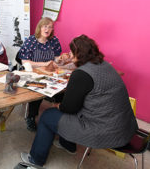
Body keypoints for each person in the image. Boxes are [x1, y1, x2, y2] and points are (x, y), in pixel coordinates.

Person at [21, 35, 138, 167]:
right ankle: (68, 145)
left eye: (71, 52)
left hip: (105, 131)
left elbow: (70, 108)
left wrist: (57, 105)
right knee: (76, 107)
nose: (69, 55)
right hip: (126, 127)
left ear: (79, 54)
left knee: (48, 116)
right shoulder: (105, 65)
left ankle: (35, 160)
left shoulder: (81, 74)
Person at [19, 17, 62, 131]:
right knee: (37, 92)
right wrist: (44, 63)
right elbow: (25, 61)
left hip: (50, 73)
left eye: (50, 27)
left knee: (62, 90)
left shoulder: (54, 40)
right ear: (40, 27)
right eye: (45, 26)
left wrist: (61, 60)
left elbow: (57, 57)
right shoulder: (31, 41)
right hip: (34, 74)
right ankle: (31, 117)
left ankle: (60, 118)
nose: (48, 29)